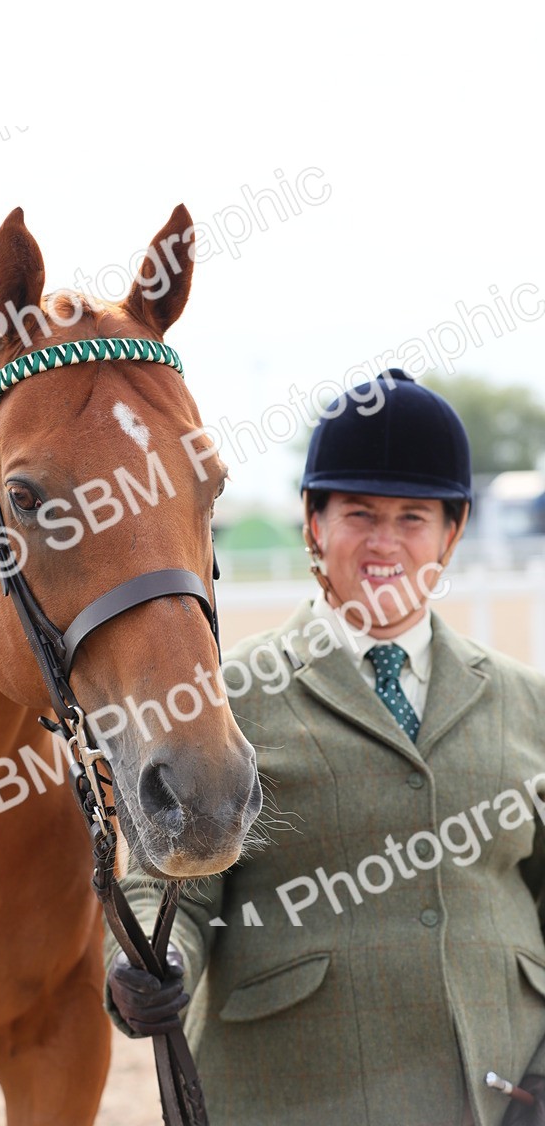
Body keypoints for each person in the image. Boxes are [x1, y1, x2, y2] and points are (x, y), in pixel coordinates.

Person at [105, 369, 545, 1126]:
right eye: (359, 513)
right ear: (313, 521)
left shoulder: (527, 699)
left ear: (454, 530)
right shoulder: (226, 697)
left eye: (414, 517)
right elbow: (172, 881)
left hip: (497, 1094)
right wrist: (149, 962)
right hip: (293, 1092)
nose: (385, 542)